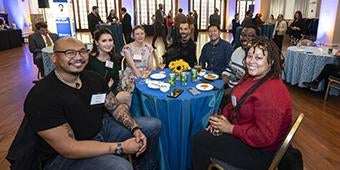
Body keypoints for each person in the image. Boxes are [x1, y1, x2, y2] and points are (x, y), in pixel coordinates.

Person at [24, 37, 161, 170]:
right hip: (64, 156)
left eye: (83, 52)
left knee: (153, 125)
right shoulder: (41, 96)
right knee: (121, 167)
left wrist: (135, 129)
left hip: (101, 129)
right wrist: (121, 147)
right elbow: (68, 149)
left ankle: (144, 166)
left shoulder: (93, 78)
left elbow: (115, 107)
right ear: (54, 58)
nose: (78, 57)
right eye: (69, 53)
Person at [193, 37, 292, 170]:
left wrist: (230, 128)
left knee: (200, 141)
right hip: (244, 133)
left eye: (258, 57)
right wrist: (222, 119)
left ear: (271, 62)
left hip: (259, 152)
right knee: (203, 135)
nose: (251, 61)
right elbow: (234, 103)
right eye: (249, 56)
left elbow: (265, 137)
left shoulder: (272, 91)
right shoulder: (250, 77)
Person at [86, 28, 131, 106]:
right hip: (96, 96)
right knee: (126, 97)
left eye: (110, 40)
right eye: (104, 41)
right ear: (96, 42)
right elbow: (88, 85)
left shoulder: (113, 58)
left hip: (111, 91)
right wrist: (107, 86)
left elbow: (116, 79)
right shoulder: (89, 61)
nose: (108, 44)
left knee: (125, 104)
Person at [221, 24, 259, 107]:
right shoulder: (237, 51)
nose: (245, 38)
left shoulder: (257, 59)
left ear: (257, 38)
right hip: (230, 87)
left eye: (251, 36)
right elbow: (229, 70)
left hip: (244, 95)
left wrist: (224, 93)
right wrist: (220, 85)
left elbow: (248, 87)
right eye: (243, 35)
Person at [121, 25, 155, 93]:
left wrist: (148, 75)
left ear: (145, 34)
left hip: (145, 73)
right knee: (139, 87)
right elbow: (133, 67)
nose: (140, 36)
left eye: (142, 33)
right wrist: (141, 79)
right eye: (137, 34)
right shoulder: (127, 48)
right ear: (133, 36)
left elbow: (150, 66)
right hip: (131, 74)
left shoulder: (149, 47)